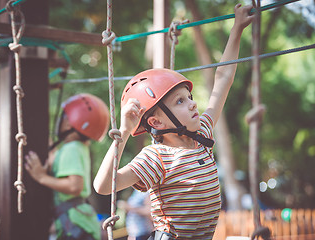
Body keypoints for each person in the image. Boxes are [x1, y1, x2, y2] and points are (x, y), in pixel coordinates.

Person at [93, 4, 253, 240]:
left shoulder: (202, 136)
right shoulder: (156, 157)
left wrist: (237, 29)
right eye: (179, 101)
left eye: (189, 97)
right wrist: (124, 132)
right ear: (156, 122)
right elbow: (104, 186)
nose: (192, 104)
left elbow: (223, 79)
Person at [25, 93, 110, 240]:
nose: (60, 120)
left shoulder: (72, 148)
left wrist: (41, 177)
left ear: (71, 122)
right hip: (77, 223)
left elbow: (74, 186)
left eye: (64, 116)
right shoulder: (76, 148)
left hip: (76, 226)